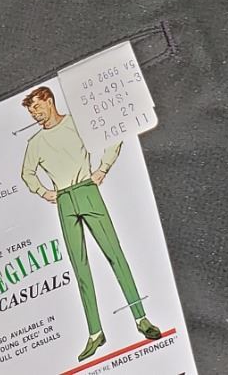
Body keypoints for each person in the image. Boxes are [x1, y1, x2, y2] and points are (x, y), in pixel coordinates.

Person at [21, 85, 165, 361]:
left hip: (87, 191)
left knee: (115, 255)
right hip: (64, 200)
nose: (35, 114)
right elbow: (27, 173)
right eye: (31, 111)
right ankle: (95, 333)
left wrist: (102, 169)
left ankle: (141, 319)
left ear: (49, 101)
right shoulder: (35, 143)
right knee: (80, 268)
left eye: (37, 107)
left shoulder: (76, 123)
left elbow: (113, 137)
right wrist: (44, 191)